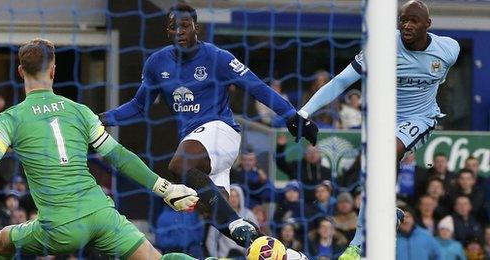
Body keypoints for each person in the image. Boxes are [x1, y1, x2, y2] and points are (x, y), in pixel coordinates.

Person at [0, 38, 199, 260]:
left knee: (2, 240)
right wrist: (165, 187)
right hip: (101, 213)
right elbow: (119, 157)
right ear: (53, 71)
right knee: (157, 258)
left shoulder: (11, 118)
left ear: (19, 71)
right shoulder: (80, 110)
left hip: (61, 228)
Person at [98, 3, 318, 246]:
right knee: (216, 216)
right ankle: (270, 247)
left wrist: (291, 115)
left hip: (221, 132)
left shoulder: (217, 57)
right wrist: (105, 119)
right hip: (196, 145)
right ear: (167, 32)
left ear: (196, 28)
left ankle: (238, 224)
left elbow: (256, 86)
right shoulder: (157, 64)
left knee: (179, 164)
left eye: (184, 26)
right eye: (173, 27)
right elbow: (139, 105)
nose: (179, 31)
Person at [297, 1, 460, 258]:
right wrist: (304, 112)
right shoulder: (382, 46)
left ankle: (357, 243)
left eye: (413, 21)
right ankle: (386, 212)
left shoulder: (448, 50)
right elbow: (341, 81)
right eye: (402, 19)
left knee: (386, 154)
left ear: (427, 24)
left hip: (420, 118)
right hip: (383, 120)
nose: (406, 25)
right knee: (373, 171)